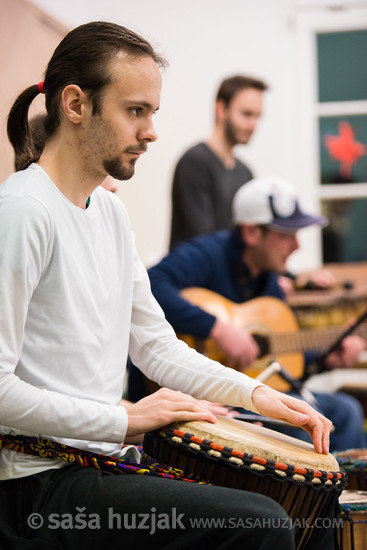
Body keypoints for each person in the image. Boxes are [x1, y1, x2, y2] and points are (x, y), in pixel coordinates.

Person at [0, 21, 334, 550]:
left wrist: (258, 394)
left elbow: (156, 348)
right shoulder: (22, 213)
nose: (151, 131)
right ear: (75, 105)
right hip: (38, 489)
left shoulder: (108, 212)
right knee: (262, 523)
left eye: (152, 113)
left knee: (314, 511)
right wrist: (123, 417)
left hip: (100, 465)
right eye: (136, 111)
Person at [145, 177, 366, 452]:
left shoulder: (270, 283)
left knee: (345, 411)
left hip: (248, 396)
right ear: (251, 233)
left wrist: (326, 359)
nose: (296, 245)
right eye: (286, 234)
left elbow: (275, 363)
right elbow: (150, 284)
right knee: (295, 437)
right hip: (190, 396)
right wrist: (217, 329)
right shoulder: (207, 253)